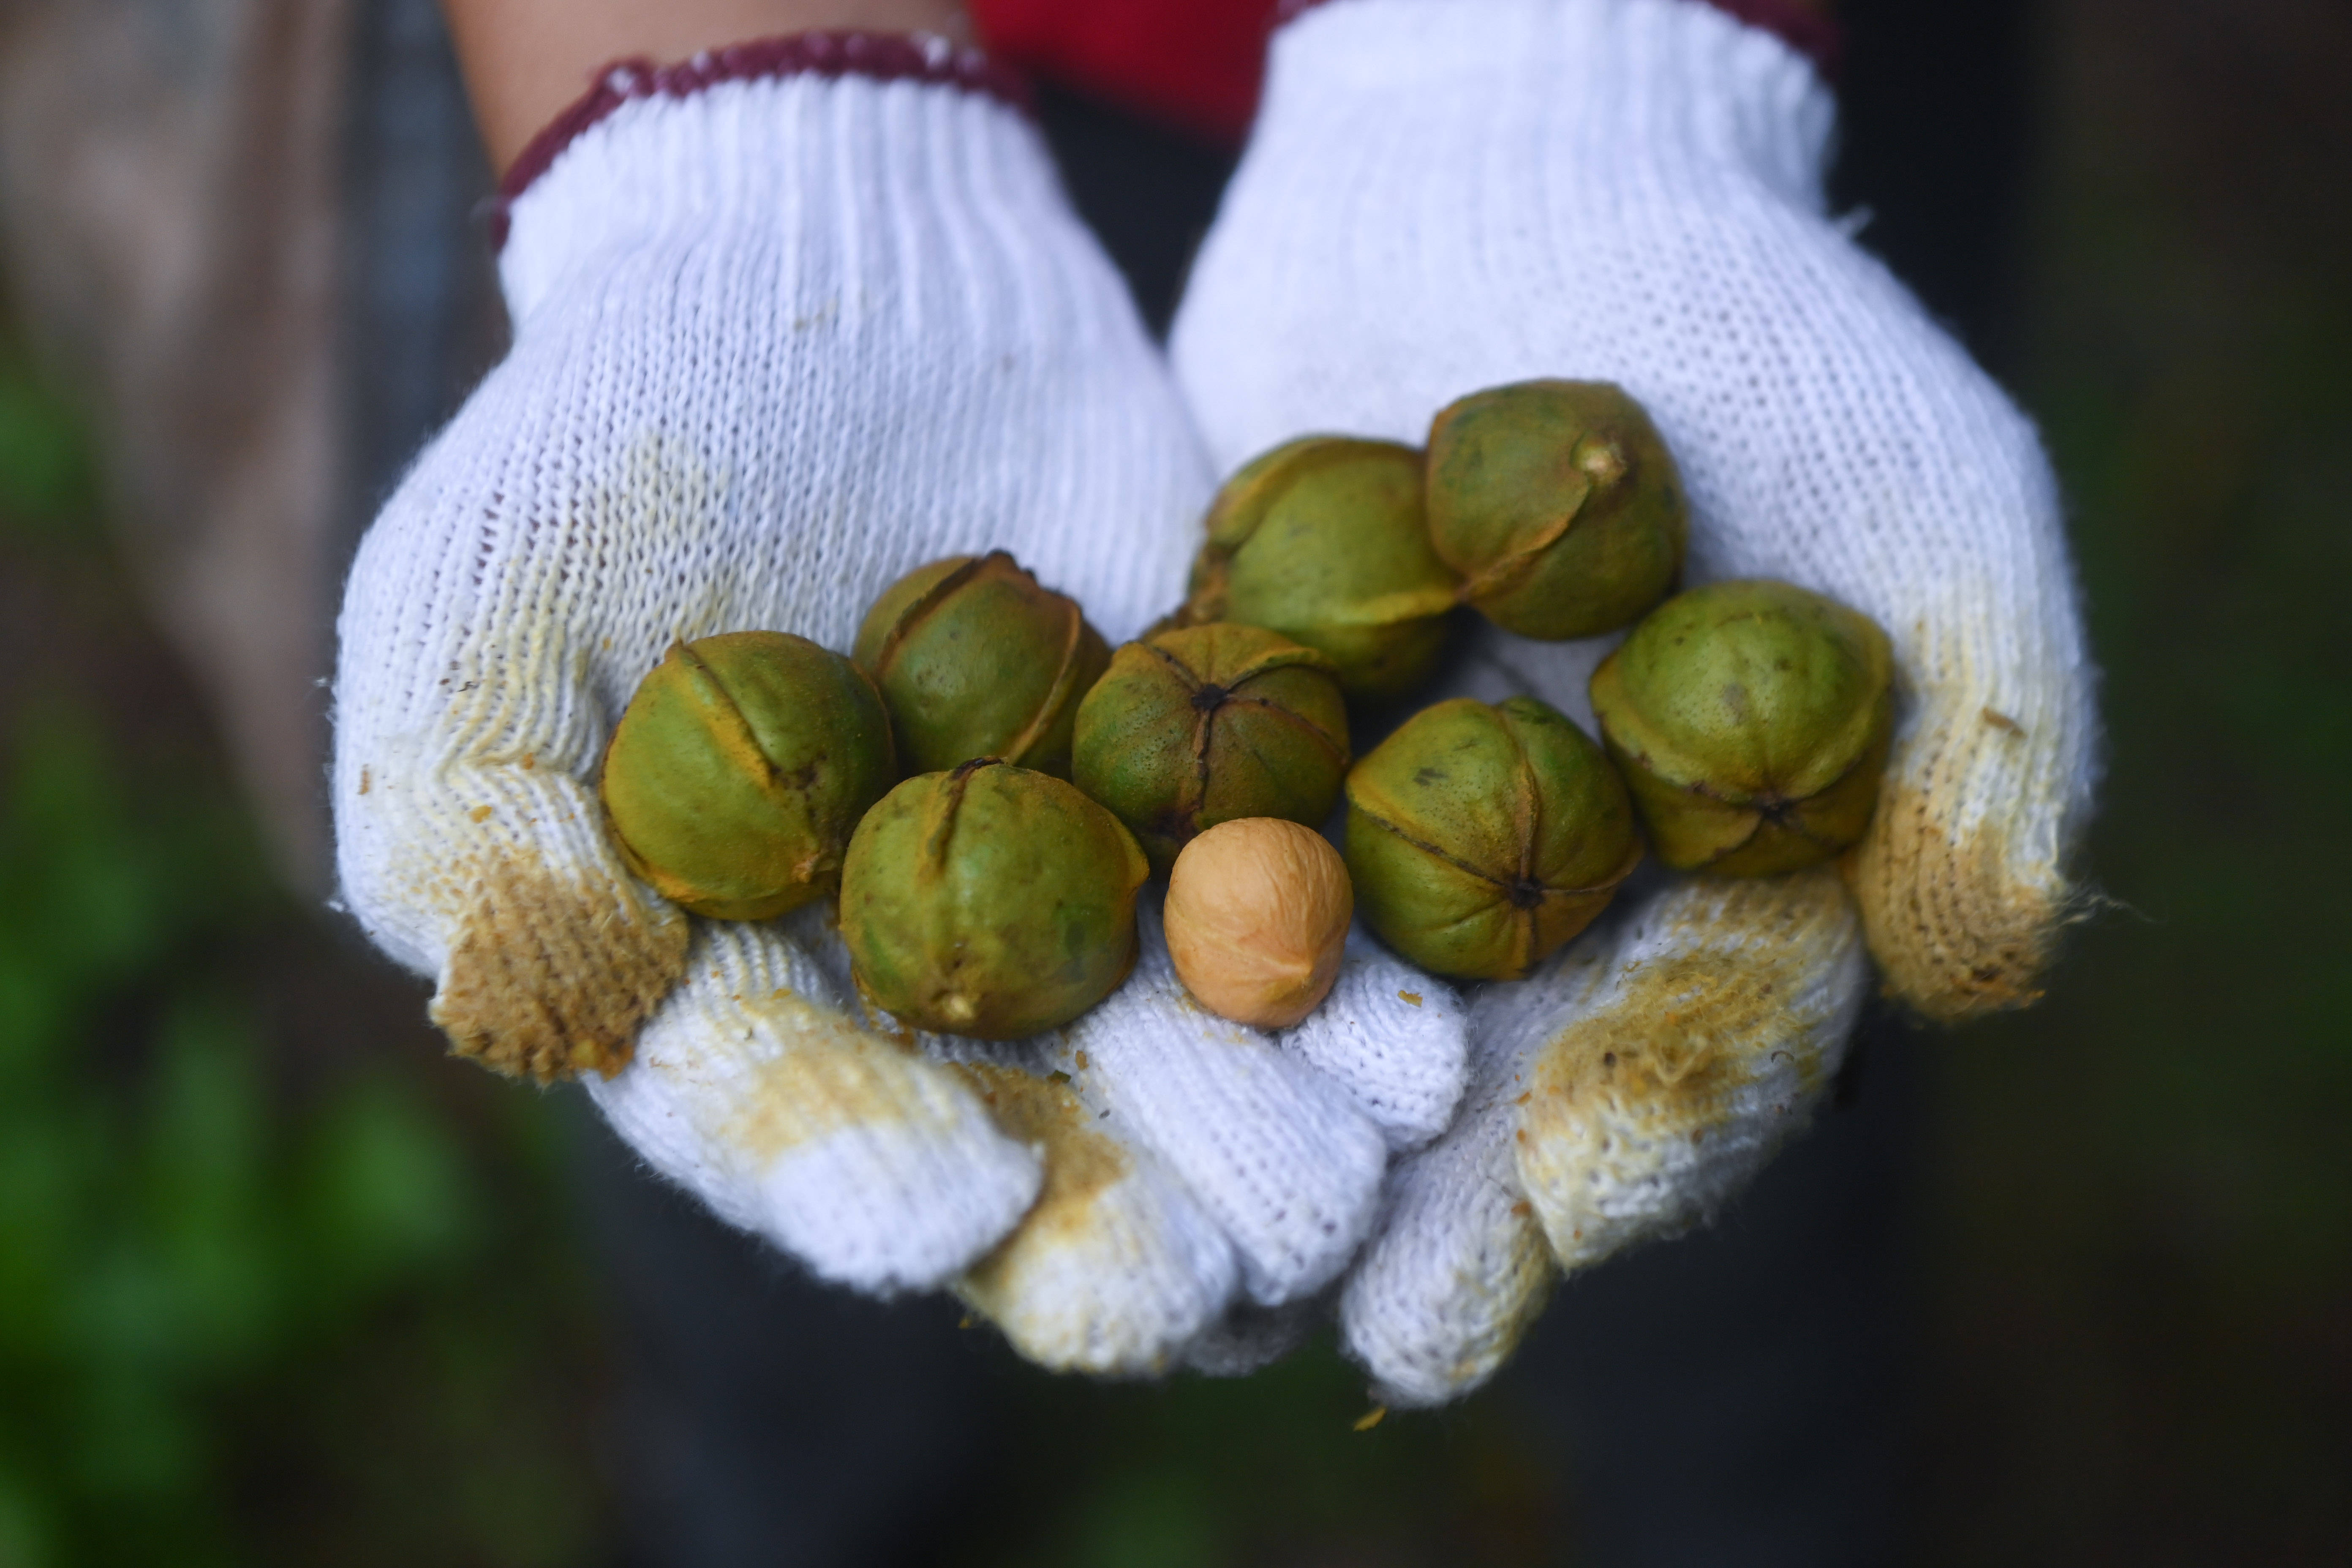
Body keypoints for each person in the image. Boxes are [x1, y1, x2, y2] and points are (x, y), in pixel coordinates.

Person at [335, 0, 2096, 1551]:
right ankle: (785, 1496)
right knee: (805, 1218)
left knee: (1706, 1195)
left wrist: (1561, 57)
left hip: (1678, 76)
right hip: (951, 86)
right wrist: (746, 149)